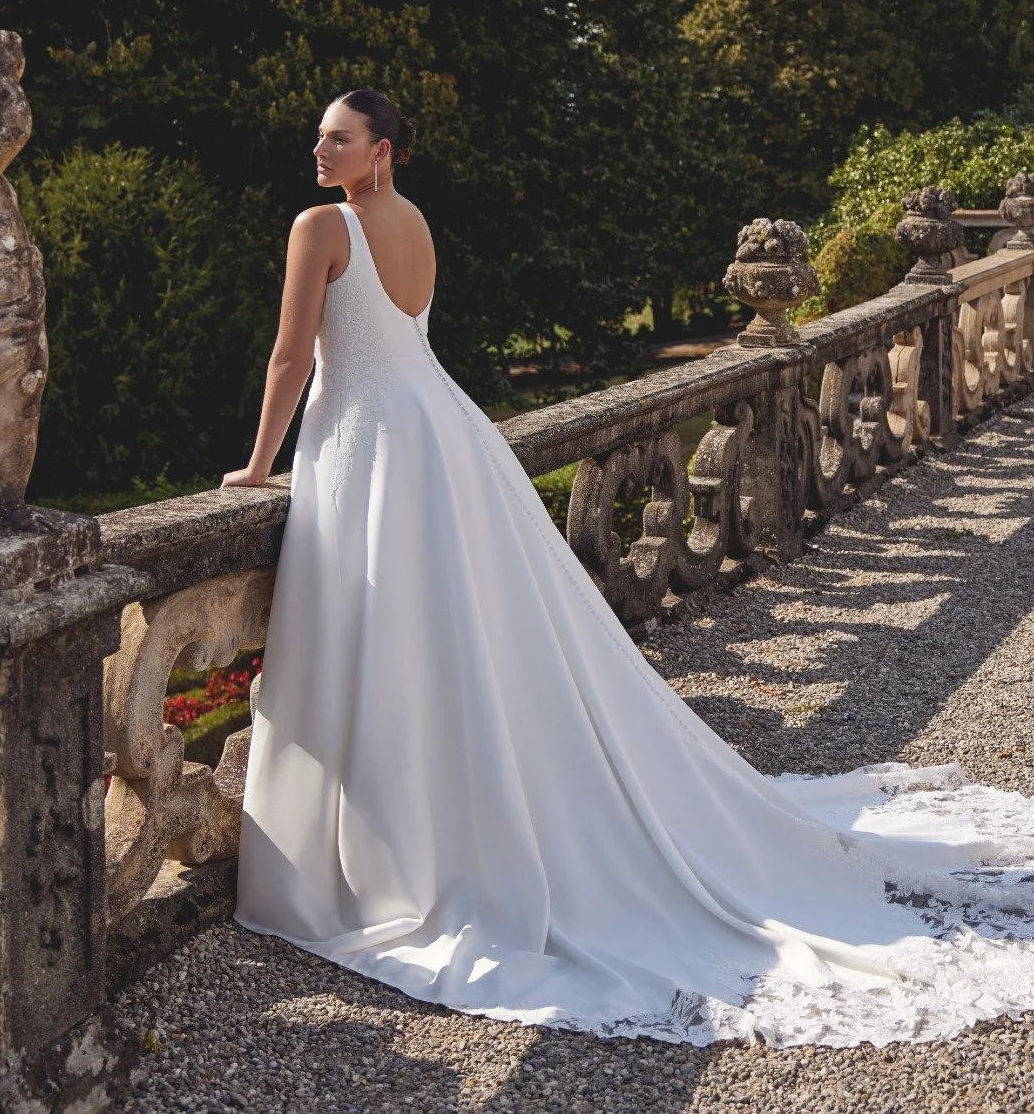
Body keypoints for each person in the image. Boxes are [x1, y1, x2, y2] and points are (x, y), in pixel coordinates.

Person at [225, 87, 1034, 1049]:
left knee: (385, 632)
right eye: (320, 137)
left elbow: (289, 357)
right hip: (437, 435)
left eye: (338, 138)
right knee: (447, 633)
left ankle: (382, 857)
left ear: (382, 150)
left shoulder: (321, 227)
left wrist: (259, 466)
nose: (318, 150)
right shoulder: (413, 222)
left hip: (367, 439)